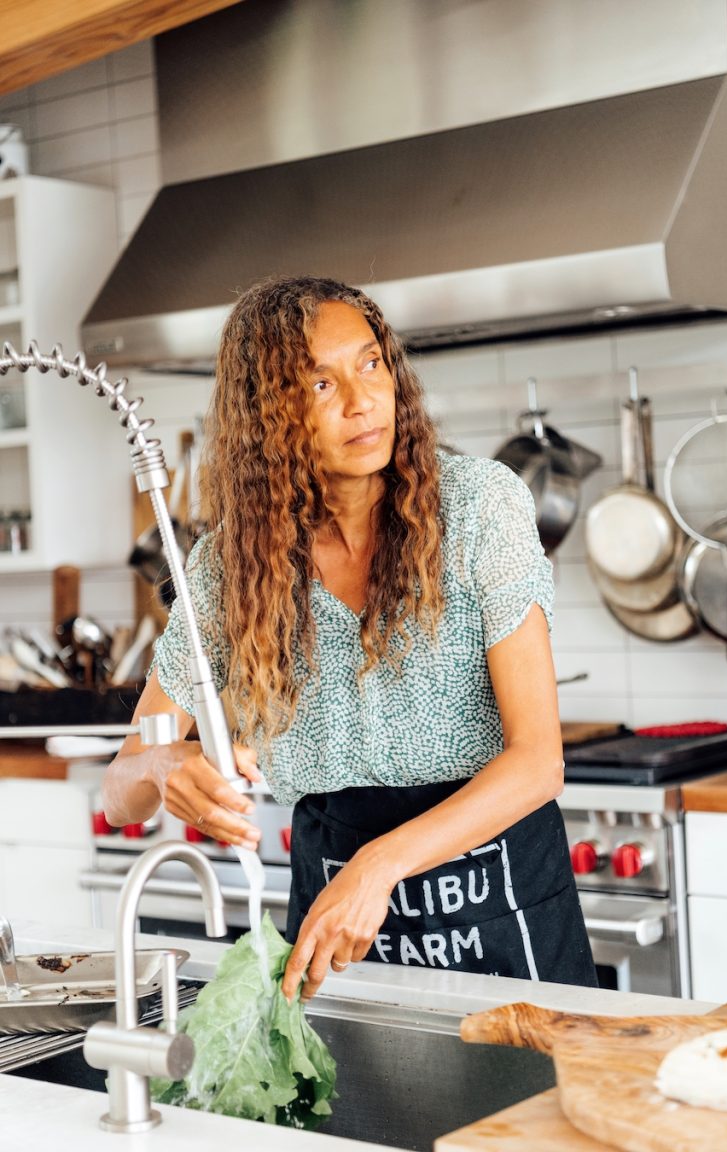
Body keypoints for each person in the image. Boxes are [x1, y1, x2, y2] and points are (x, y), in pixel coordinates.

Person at [102, 275, 597, 1002]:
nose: (363, 400)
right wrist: (163, 765)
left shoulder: (480, 506)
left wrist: (380, 866)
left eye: (371, 365)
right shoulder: (229, 569)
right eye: (321, 384)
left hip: (509, 926)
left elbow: (538, 764)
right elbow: (122, 789)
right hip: (337, 939)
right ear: (270, 414)